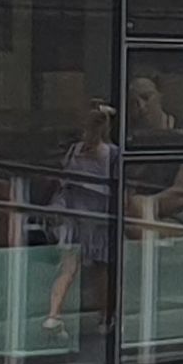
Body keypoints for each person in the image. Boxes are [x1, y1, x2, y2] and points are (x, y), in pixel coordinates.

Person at [40, 101, 119, 337]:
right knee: (101, 270)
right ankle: (106, 319)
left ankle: (53, 315)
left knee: (68, 269)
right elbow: (119, 187)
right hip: (99, 219)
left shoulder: (75, 150)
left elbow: (64, 180)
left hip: (73, 218)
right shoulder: (112, 153)